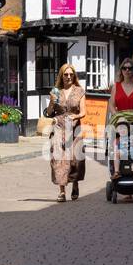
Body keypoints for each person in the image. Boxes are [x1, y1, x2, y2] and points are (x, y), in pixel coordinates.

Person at [45, 63, 86, 201]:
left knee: (75, 160)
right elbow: (49, 112)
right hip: (59, 127)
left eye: (71, 74)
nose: (68, 77)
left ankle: (74, 183)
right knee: (58, 159)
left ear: (74, 76)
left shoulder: (79, 91)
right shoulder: (56, 91)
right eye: (65, 74)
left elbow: (83, 112)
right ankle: (62, 190)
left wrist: (75, 116)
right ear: (61, 76)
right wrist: (51, 103)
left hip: (74, 127)